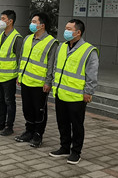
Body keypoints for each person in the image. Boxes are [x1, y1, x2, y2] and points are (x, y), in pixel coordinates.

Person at [50, 19, 99, 165]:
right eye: (66, 28)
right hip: (61, 93)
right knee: (62, 123)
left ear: (78, 32)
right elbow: (56, 67)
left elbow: (92, 74)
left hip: (77, 96)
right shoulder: (62, 47)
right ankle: (64, 147)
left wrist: (88, 92)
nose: (66, 31)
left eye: (69, 29)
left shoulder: (89, 50)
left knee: (77, 126)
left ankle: (76, 152)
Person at [16, 12, 58, 147]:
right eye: (32, 21)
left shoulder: (51, 42)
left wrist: (48, 82)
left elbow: (51, 64)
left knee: (39, 110)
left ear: (42, 25)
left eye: (34, 22)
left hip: (40, 84)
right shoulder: (27, 38)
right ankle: (29, 131)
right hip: (26, 80)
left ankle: (38, 134)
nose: (31, 24)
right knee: (27, 108)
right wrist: (20, 75)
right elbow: (22, 58)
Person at [0, 10, 23, 136]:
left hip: (9, 76)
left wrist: (19, 76)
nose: (0, 21)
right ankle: (1, 123)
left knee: (9, 102)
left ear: (10, 21)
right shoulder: (0, 35)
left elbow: (20, 58)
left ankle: (9, 126)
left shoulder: (17, 38)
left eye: (3, 19)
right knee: (0, 100)